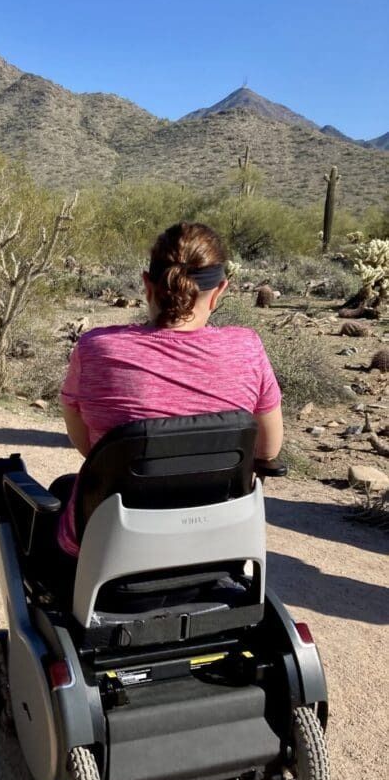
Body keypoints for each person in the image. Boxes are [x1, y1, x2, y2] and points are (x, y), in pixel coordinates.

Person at [57, 221, 283, 557]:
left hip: (111, 548)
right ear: (220, 291)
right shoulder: (247, 348)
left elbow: (88, 447)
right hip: (216, 546)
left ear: (147, 285)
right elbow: (268, 451)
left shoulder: (97, 348)